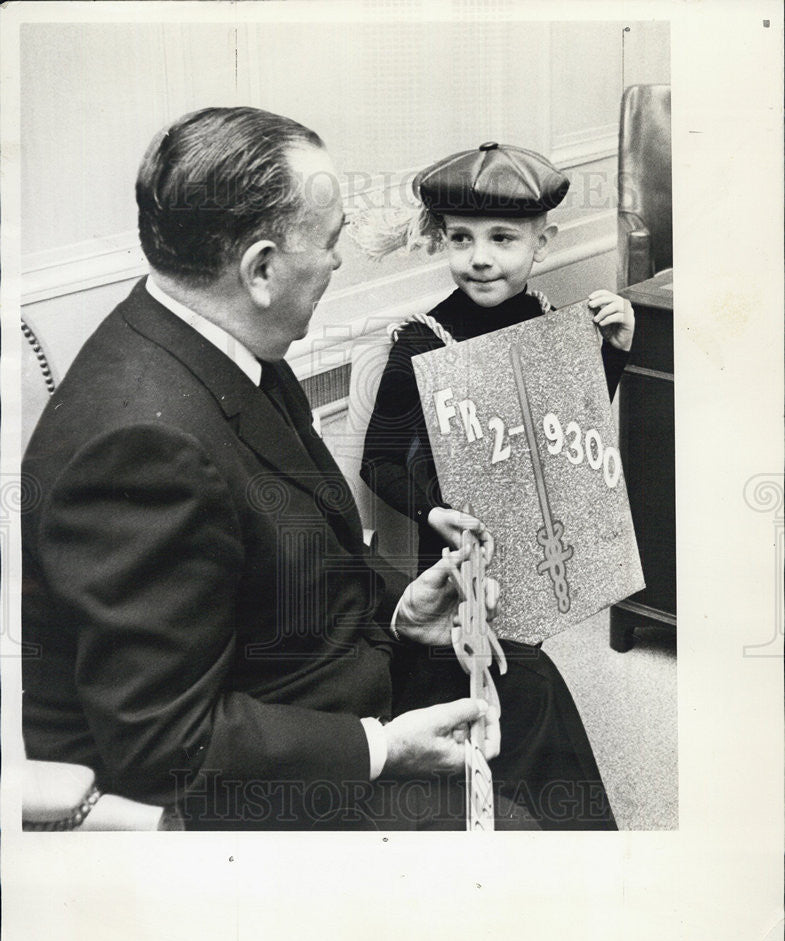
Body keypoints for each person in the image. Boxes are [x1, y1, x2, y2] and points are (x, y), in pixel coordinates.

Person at [22, 108, 613, 832]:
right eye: (330, 244)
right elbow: (162, 743)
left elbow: (307, 540)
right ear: (262, 269)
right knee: (509, 835)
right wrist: (381, 749)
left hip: (313, 666)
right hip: (257, 771)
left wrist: (400, 610)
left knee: (529, 684)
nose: (337, 264)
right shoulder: (139, 450)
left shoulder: (225, 342)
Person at [359, 141, 635, 575]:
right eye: (461, 239)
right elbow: (378, 461)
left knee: (526, 643)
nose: (480, 258)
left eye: (502, 238)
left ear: (541, 243)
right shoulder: (422, 343)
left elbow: (580, 427)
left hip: (540, 547)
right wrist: (429, 513)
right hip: (456, 559)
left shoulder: (549, 322)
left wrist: (613, 352)